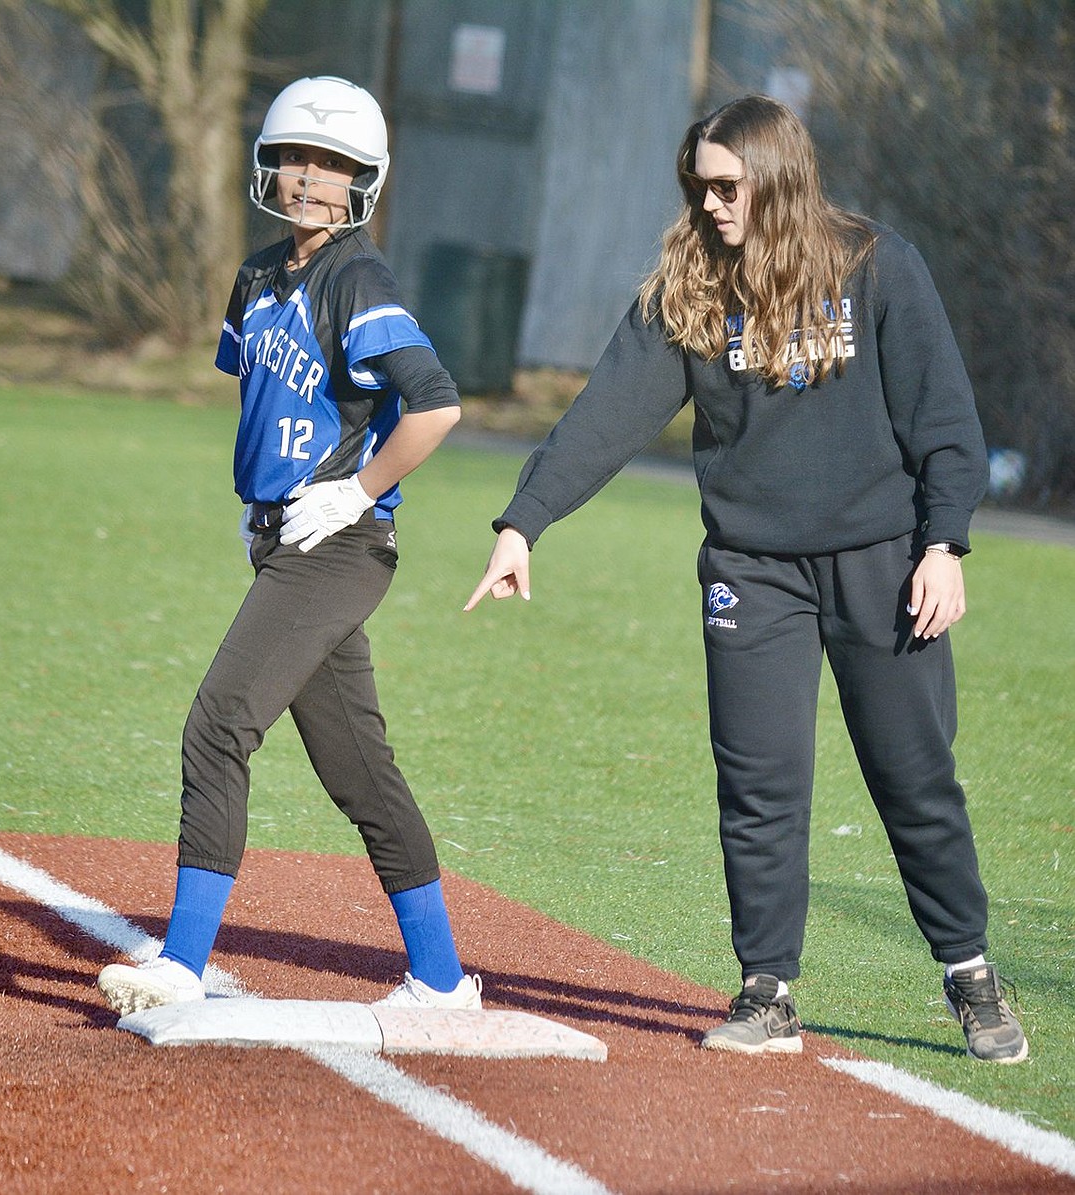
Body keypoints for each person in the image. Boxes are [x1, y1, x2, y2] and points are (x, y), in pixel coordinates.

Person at [465, 95, 1026, 1062]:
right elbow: (606, 414)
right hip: (751, 571)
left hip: (883, 563)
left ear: (779, 176)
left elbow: (945, 419)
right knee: (761, 784)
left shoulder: (875, 265)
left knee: (913, 775)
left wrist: (944, 545)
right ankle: (767, 991)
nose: (711, 205)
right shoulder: (690, 284)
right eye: (699, 187)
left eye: (727, 186)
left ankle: (969, 972)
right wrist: (525, 522)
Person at [98, 76, 480, 1015]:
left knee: (218, 723)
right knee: (358, 769)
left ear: (365, 181)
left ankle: (182, 963)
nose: (312, 179)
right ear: (271, 164)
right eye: (299, 158)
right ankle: (439, 977)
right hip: (281, 538)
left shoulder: (360, 276)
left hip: (338, 544)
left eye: (335, 165)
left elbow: (437, 405)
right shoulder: (261, 275)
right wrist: (257, 496)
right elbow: (261, 394)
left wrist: (357, 489)